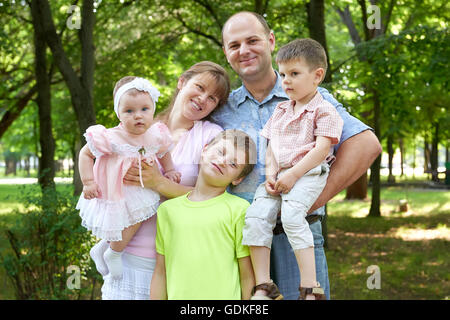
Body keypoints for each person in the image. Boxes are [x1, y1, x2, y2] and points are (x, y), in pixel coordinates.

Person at [210, 11, 382, 300]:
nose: (244, 50)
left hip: (298, 239)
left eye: (252, 40)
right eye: (234, 45)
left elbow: (367, 145)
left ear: (271, 41)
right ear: (226, 53)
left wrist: (308, 201)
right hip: (242, 244)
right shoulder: (221, 109)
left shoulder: (313, 97)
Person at [100, 61, 230, 299]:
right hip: (122, 255)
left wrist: (158, 183)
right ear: (182, 82)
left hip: (170, 261)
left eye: (213, 98)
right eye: (199, 87)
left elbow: (214, 198)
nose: (203, 98)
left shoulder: (210, 136)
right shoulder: (140, 121)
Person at [243, 38, 343, 300]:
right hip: (281, 173)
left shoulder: (324, 110)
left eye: (295, 74)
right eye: (284, 74)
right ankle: (264, 284)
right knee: (256, 217)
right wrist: (272, 175)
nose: (286, 80)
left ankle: (310, 287)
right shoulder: (281, 110)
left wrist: (293, 174)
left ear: (317, 75)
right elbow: (272, 147)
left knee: (292, 216)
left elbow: (321, 150)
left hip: (307, 172)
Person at [77, 76, 181, 280]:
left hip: (140, 187)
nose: (138, 116)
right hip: (115, 188)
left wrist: (169, 170)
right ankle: (113, 253)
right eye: (129, 111)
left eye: (144, 109)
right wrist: (88, 182)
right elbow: (85, 154)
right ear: (119, 113)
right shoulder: (110, 136)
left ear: (152, 109)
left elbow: (164, 151)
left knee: (135, 220)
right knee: (120, 221)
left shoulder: (155, 134)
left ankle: (103, 249)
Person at [150, 130, 257, 300]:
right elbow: (161, 272)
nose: (222, 162)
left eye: (233, 164)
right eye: (221, 152)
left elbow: (247, 275)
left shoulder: (240, 210)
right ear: (204, 150)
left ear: (238, 179)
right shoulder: (167, 210)